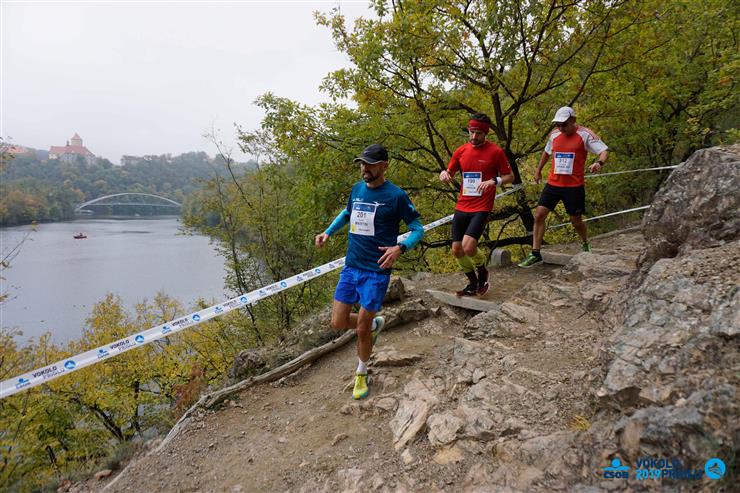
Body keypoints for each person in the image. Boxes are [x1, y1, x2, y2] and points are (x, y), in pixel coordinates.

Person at [315, 144, 424, 400]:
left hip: (376, 271)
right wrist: (328, 232)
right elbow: (347, 213)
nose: (365, 168)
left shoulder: (396, 196)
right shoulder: (357, 189)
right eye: (362, 163)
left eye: (370, 164)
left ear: (384, 166)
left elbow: (418, 228)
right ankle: (374, 324)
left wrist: (400, 247)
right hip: (352, 266)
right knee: (338, 322)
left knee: (362, 329)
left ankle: (362, 372)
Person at [518, 106, 609, 268]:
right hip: (553, 184)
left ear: (573, 120)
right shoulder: (554, 135)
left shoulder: (585, 134)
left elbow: (603, 151)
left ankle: (585, 243)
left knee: (576, 221)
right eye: (558, 125)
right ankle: (535, 253)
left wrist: (599, 163)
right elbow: (546, 152)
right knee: (539, 215)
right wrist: (538, 171)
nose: (560, 128)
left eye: (564, 124)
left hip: (574, 186)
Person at [440, 113, 514, 296]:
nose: (474, 136)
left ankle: (483, 272)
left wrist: (494, 181)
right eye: (471, 132)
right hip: (462, 205)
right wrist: (444, 175)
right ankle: (472, 283)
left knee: (469, 246)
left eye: (479, 133)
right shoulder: (461, 151)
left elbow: (510, 177)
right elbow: (449, 172)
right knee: (457, 249)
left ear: (485, 133)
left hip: (482, 207)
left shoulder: (495, 152)